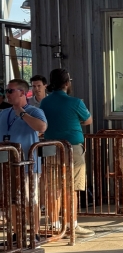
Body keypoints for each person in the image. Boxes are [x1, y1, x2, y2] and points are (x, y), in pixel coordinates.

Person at [40, 69, 95, 237]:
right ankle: (72, 224)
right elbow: (88, 120)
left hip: (51, 147)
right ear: (67, 83)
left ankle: (55, 225)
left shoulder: (44, 102)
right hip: (72, 148)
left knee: (53, 188)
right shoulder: (76, 102)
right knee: (73, 188)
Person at [0, 78, 47, 243]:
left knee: (30, 199)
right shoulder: (3, 113)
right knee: (13, 200)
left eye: (10, 91)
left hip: (27, 165)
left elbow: (42, 127)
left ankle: (34, 232)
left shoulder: (34, 111)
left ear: (22, 92)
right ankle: (17, 232)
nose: (7, 94)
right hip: (7, 164)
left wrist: (22, 113)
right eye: (6, 91)